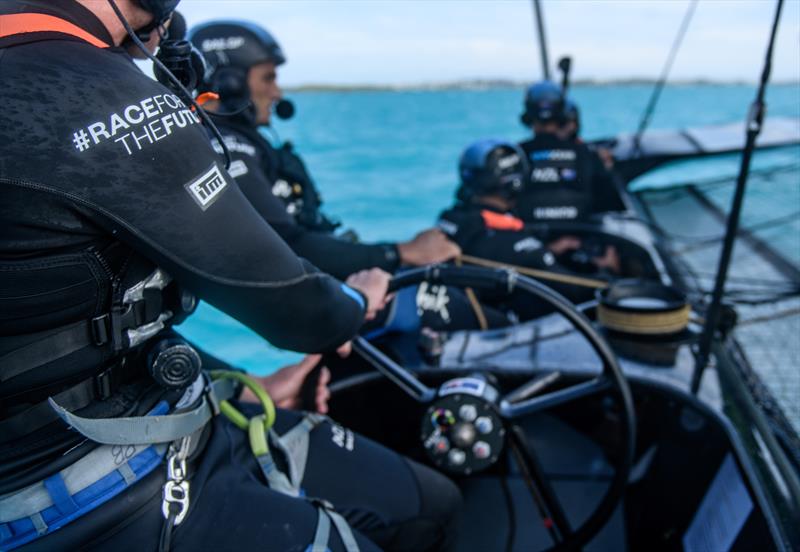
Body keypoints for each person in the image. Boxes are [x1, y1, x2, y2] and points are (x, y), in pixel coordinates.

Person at [0, 2, 460, 551]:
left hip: (139, 431)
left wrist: (249, 382)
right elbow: (298, 312)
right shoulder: (90, 86)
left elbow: (82, 322)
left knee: (431, 502)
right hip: (101, 487)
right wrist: (360, 299)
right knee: (430, 510)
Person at [188, 20, 460, 281]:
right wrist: (401, 253)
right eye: (268, 79)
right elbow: (286, 244)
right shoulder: (228, 149)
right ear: (229, 83)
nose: (277, 93)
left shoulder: (243, 142)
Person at [438, 139, 620, 313]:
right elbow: (576, 291)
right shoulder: (519, 246)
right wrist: (608, 270)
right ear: (516, 183)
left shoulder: (451, 220)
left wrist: (548, 249)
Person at [516, 80, 619, 223]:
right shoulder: (587, 154)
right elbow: (610, 202)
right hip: (582, 236)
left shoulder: (516, 154)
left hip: (528, 237)